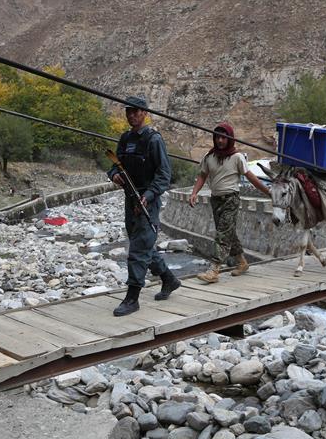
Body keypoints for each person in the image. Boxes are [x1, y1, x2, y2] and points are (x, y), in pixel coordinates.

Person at [108, 96, 180, 316]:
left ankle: (132, 298)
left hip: (149, 201)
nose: (131, 115)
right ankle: (168, 279)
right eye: (128, 111)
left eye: (136, 111)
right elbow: (115, 165)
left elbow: (164, 175)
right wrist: (114, 175)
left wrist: (148, 196)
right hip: (130, 199)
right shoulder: (125, 138)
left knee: (139, 248)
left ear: (144, 113)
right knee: (142, 243)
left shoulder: (154, 140)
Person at [190, 122, 271, 284]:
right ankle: (242, 262)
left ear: (230, 139)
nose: (220, 140)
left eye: (223, 137)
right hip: (215, 200)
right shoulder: (209, 157)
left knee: (222, 234)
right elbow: (202, 175)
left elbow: (251, 177)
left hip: (231, 200)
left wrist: (268, 192)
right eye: (217, 137)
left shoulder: (237, 157)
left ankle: (214, 270)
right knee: (229, 234)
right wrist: (194, 193)